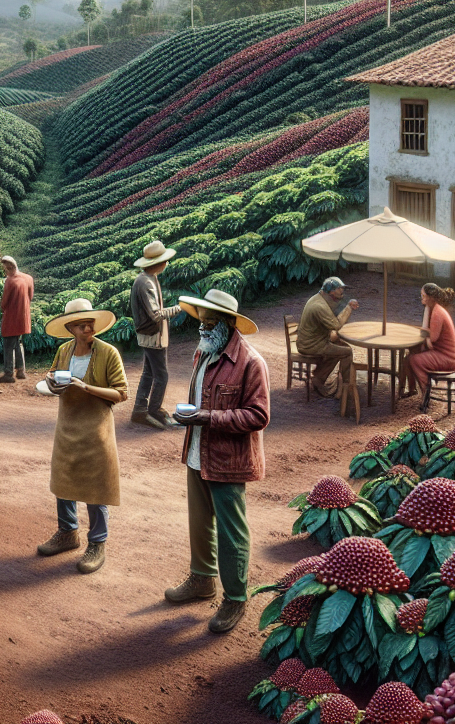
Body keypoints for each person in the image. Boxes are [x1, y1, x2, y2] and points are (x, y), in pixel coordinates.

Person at [165, 289, 270, 634]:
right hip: (198, 450)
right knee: (199, 522)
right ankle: (202, 579)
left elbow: (258, 415)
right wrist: (193, 416)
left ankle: (236, 597)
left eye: (211, 322)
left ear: (228, 324)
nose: (203, 328)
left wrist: (207, 417)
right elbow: (201, 398)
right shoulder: (204, 353)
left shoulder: (250, 363)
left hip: (228, 459)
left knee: (231, 531)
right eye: (202, 322)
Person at [35, 299, 128, 575]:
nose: (88, 328)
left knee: (96, 484)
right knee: (64, 479)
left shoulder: (108, 353)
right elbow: (51, 374)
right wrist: (51, 381)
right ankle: (67, 532)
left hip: (96, 429)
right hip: (67, 425)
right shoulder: (65, 350)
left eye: (90, 324)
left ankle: (97, 542)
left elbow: (122, 393)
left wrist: (86, 387)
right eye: (81, 325)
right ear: (71, 328)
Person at [129, 240, 178, 429]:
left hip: (150, 335)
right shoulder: (145, 283)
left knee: (149, 372)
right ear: (157, 263)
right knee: (161, 376)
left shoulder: (148, 278)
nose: (167, 263)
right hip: (152, 336)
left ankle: (141, 409)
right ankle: (154, 410)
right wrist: (180, 308)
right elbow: (156, 314)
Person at [296, 277, 359, 401]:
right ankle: (347, 387)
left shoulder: (319, 299)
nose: (342, 291)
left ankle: (319, 378)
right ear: (331, 292)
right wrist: (349, 307)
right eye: (339, 289)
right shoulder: (319, 306)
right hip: (311, 345)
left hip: (314, 340)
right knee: (347, 352)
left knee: (341, 345)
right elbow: (336, 325)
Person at [406, 283, 455, 404]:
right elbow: (428, 335)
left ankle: (426, 392)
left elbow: (433, 338)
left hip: (448, 357)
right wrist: (426, 335)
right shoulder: (434, 308)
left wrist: (425, 335)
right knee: (409, 357)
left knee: (415, 360)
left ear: (431, 297)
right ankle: (412, 389)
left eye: (423, 295)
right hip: (443, 353)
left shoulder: (437, 312)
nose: (421, 297)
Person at [0, 255, 35, 383]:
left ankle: (8, 373)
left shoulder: (10, 281)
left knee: (8, 344)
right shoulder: (28, 278)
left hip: (12, 316)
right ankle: (21, 371)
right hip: (24, 316)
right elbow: (31, 296)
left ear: (9, 267)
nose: (5, 271)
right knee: (18, 342)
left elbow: (4, 303)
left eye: (5, 269)